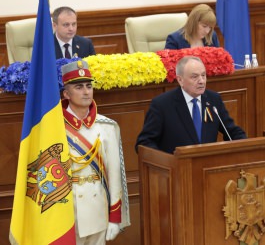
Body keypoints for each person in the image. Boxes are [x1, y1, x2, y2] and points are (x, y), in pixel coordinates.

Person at [61, 60, 130, 245]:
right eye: (79, 87)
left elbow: (115, 175)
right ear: (66, 94)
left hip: (97, 209)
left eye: (89, 86)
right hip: (65, 210)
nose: (86, 91)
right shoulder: (53, 127)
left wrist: (115, 218)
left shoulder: (107, 126)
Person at [135, 56, 246, 154]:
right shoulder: (162, 105)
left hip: (208, 170)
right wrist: (166, 162)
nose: (201, 81)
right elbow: (145, 143)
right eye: (194, 77)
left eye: (203, 75)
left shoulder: (213, 100)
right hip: (176, 171)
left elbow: (232, 132)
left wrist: (245, 145)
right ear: (180, 80)